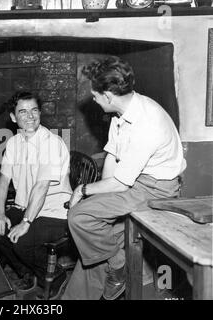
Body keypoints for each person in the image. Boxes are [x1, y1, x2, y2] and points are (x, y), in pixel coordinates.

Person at [62, 56, 186, 300]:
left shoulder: (147, 123)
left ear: (108, 95)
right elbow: (112, 157)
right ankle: (96, 282)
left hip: (156, 191)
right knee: (96, 252)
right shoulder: (122, 114)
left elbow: (121, 183)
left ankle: (119, 268)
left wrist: (83, 190)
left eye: (95, 95)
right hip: (136, 184)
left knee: (80, 217)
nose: (93, 99)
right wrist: (100, 198)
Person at [0, 91, 72, 299]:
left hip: (56, 212)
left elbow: (41, 187)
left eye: (34, 110)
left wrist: (26, 222)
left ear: (40, 113)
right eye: (23, 112)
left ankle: (57, 276)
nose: (30, 116)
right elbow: (4, 180)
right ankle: (30, 273)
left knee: (22, 241)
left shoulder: (50, 143)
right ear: (14, 117)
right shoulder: (14, 143)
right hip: (30, 207)